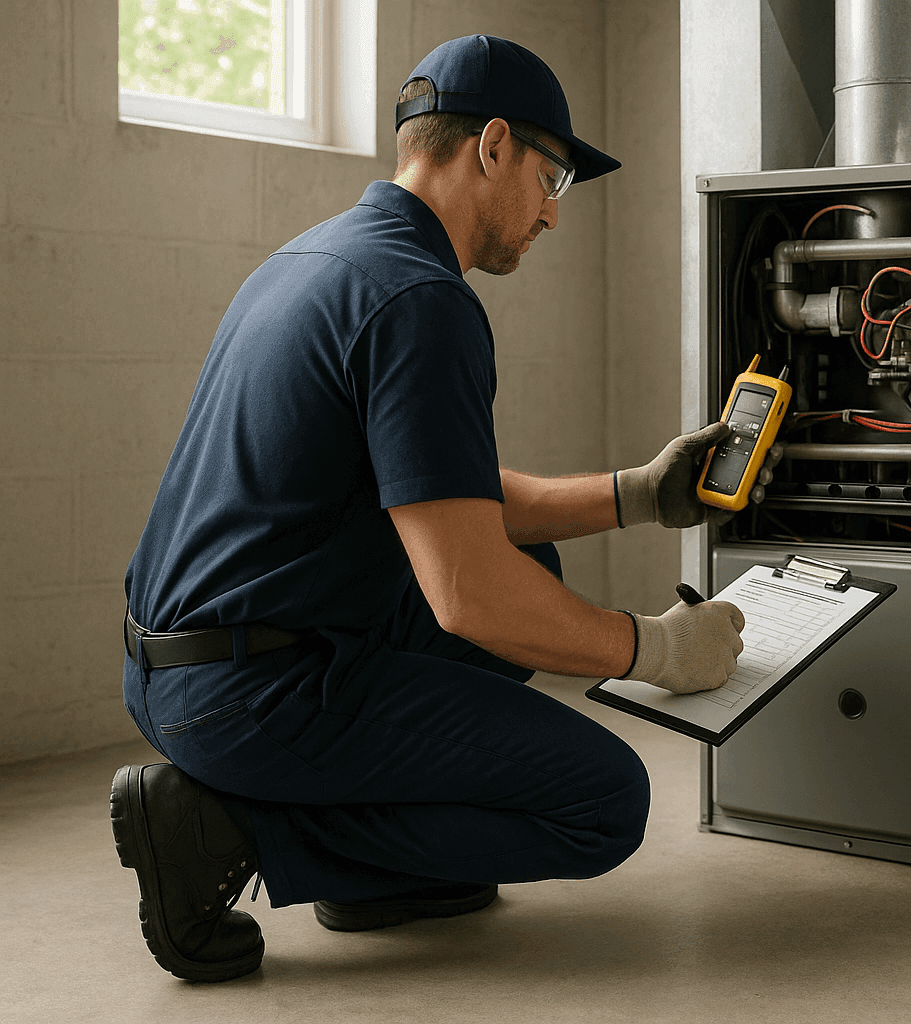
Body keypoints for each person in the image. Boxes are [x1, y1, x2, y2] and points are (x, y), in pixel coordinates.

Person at [110, 34, 766, 983]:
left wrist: (633, 494)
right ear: (491, 146)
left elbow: (447, 498)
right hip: (242, 698)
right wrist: (659, 650)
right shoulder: (421, 299)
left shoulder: (326, 254)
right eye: (553, 179)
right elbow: (469, 596)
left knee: (530, 572)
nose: (551, 214)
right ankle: (227, 828)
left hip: (178, 665)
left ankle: (376, 870)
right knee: (604, 802)